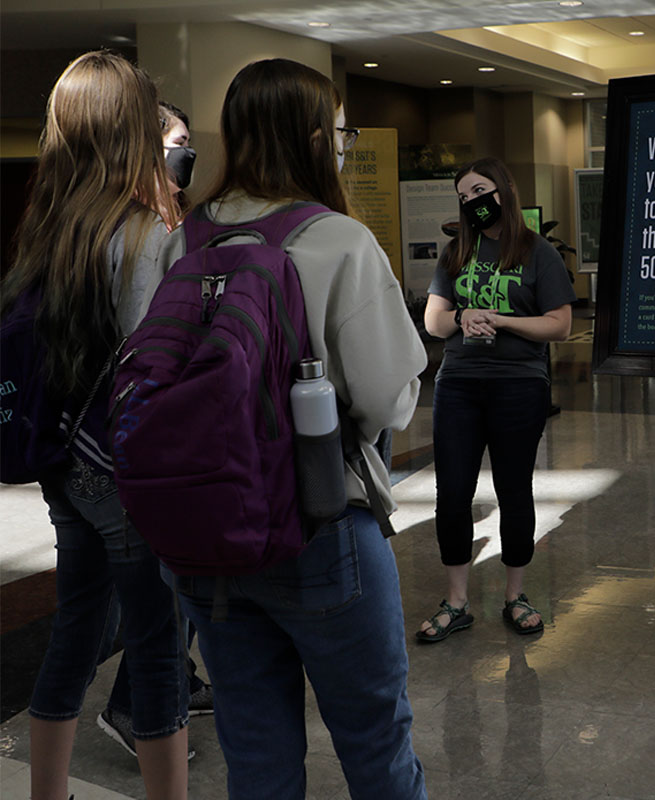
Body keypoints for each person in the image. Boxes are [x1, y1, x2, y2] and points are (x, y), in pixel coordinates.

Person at [158, 58, 428, 800]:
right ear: (313, 137)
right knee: (377, 748)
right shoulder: (337, 240)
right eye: (339, 132)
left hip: (204, 535)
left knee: (257, 754)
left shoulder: (179, 242)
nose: (342, 146)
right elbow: (386, 403)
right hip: (321, 525)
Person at [1, 50, 189, 800]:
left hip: (61, 463)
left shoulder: (48, 230)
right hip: (127, 470)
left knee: (76, 628)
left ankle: (49, 793)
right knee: (157, 642)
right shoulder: (145, 235)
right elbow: (159, 370)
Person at [418, 157, 576, 643]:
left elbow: (560, 325)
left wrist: (502, 320)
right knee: (453, 493)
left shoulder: (537, 252)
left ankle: (516, 595)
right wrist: (463, 315)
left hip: (518, 385)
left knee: (513, 490)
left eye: (480, 191)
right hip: (459, 384)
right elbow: (433, 322)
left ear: (504, 192)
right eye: (465, 197)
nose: (474, 203)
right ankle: (458, 600)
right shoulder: (455, 253)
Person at [98, 98, 213, 760]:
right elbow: (151, 347)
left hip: (109, 440)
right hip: (146, 439)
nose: (185, 158)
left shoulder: (109, 226)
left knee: (132, 595)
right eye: (175, 144)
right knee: (165, 588)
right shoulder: (149, 234)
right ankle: (140, 710)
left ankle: (158, 692)